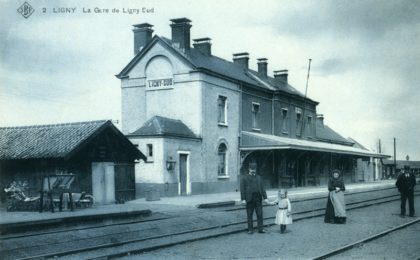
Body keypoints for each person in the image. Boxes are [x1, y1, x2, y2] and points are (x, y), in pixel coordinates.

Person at [240, 162, 268, 234]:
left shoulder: (259, 177)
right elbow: (242, 189)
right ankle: (250, 229)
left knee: (260, 214)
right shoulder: (244, 178)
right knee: (249, 215)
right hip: (249, 199)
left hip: (258, 198)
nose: (253, 170)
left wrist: (265, 198)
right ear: (249, 169)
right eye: (252, 169)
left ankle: (261, 229)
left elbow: (262, 188)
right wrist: (243, 199)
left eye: (254, 169)